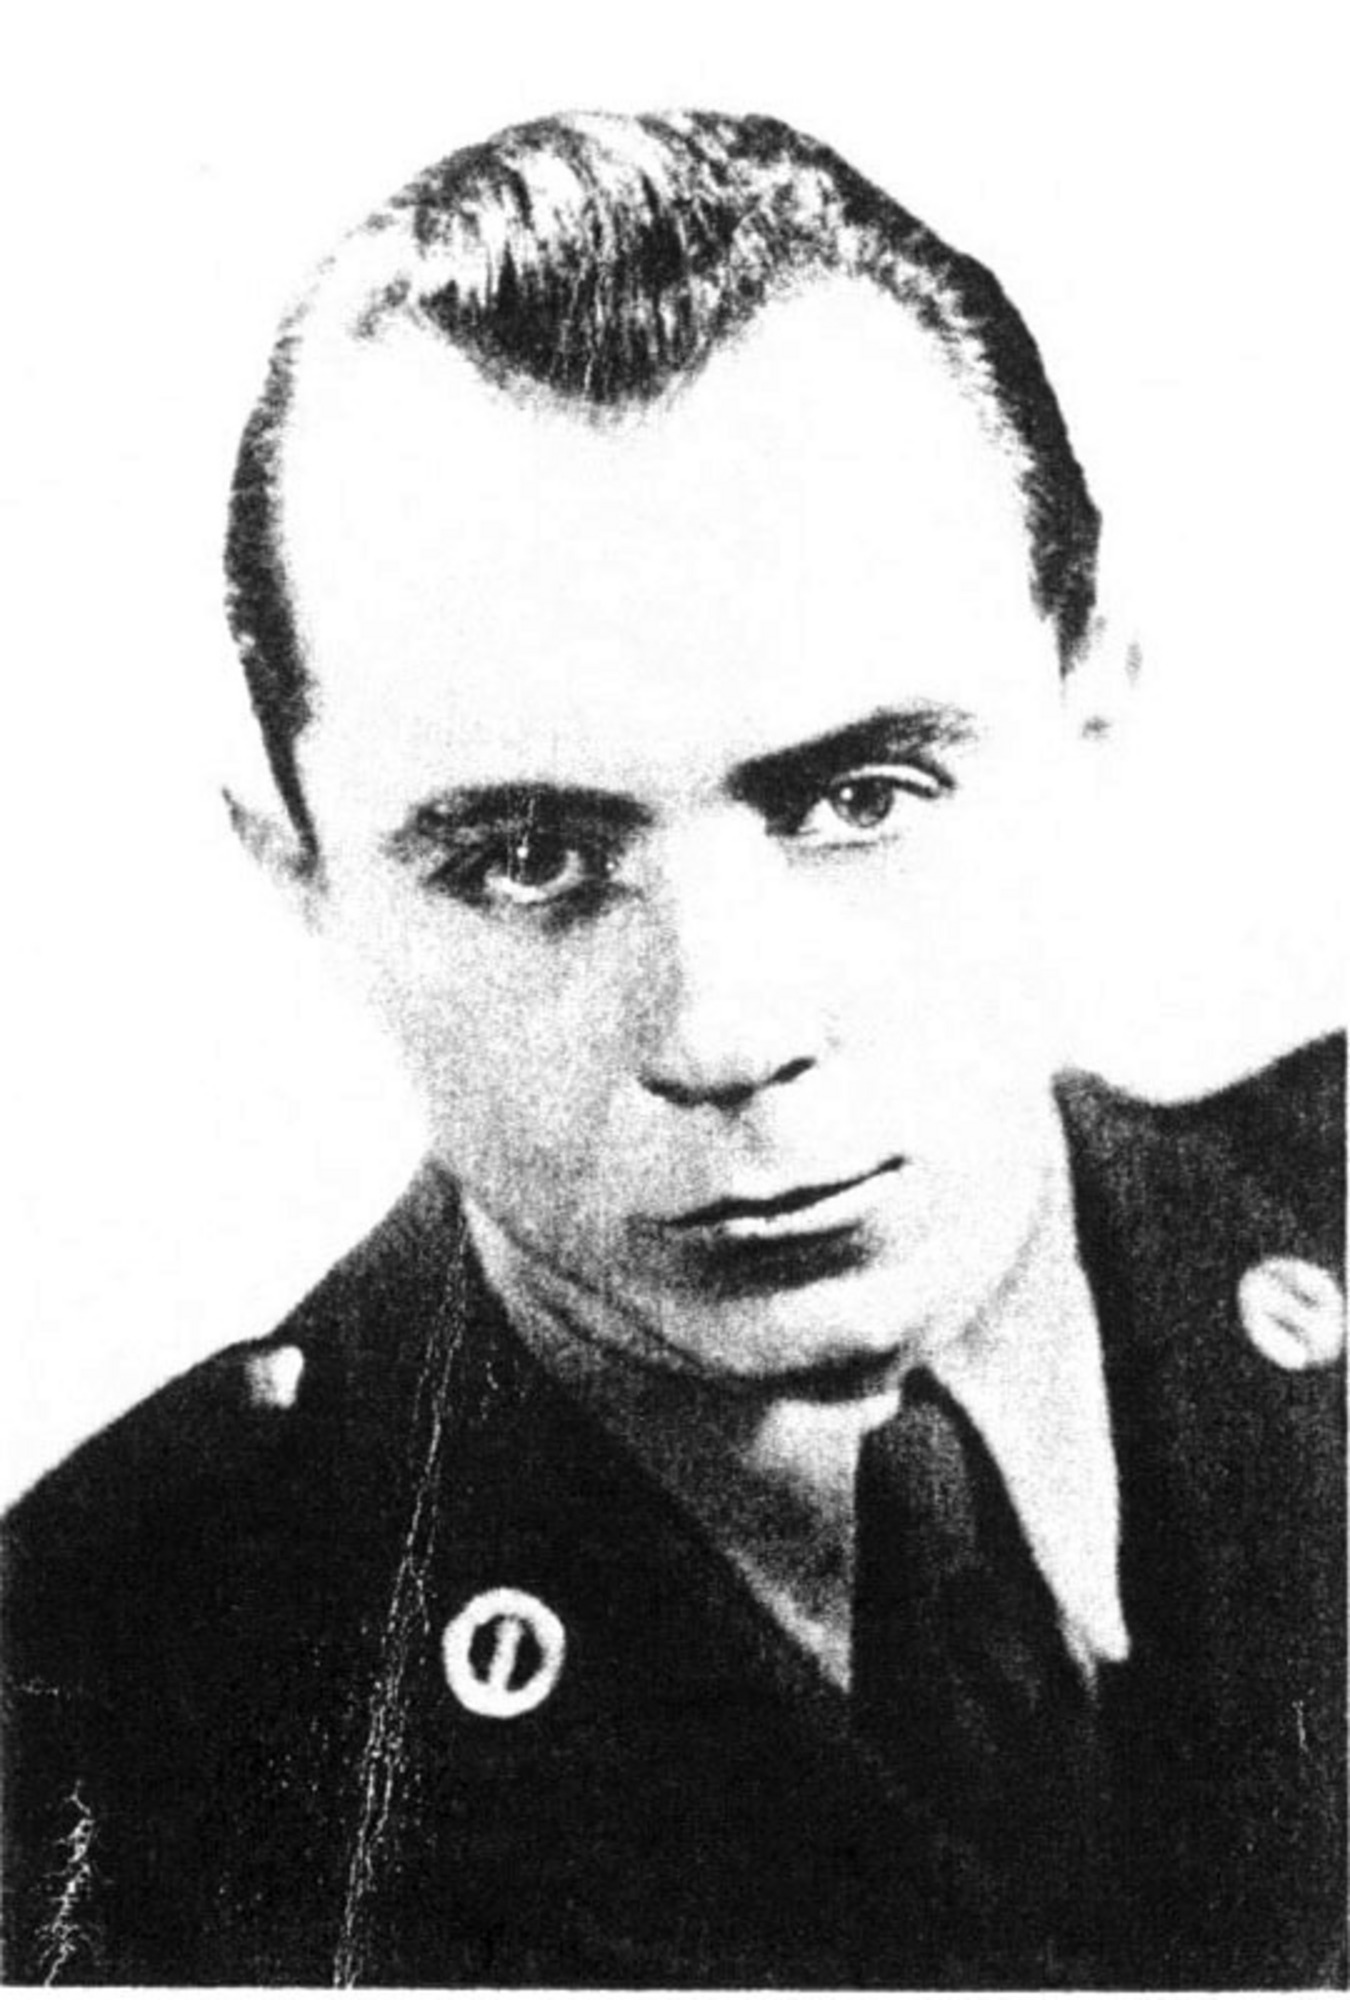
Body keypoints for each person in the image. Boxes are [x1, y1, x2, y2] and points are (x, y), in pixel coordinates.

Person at [2, 110, 1344, 1988]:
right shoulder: (94, 1711)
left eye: (860, 797)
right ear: (300, 873)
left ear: (1089, 708)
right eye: (526, 859)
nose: (726, 1033)